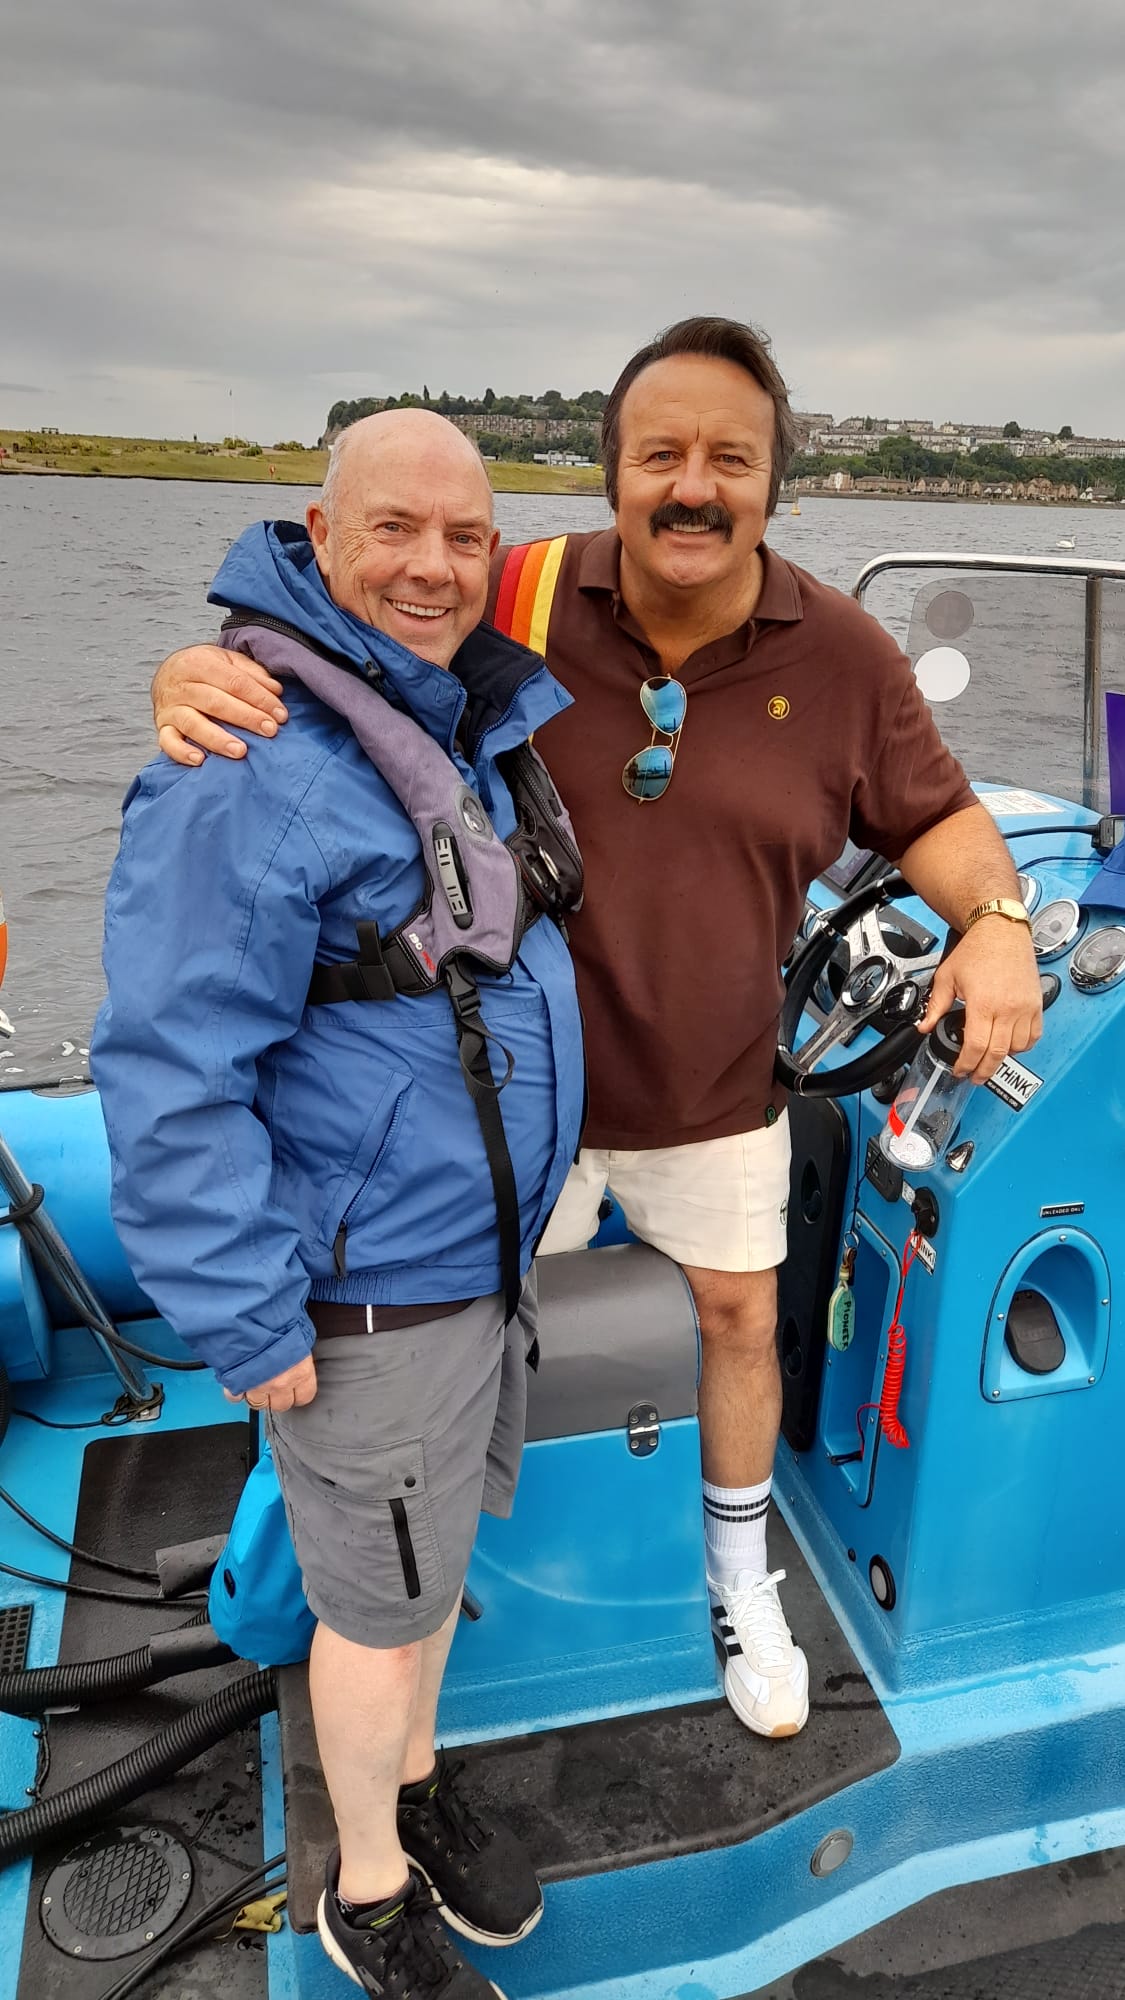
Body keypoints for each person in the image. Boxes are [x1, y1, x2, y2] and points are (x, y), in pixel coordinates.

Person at [150, 315, 1042, 1742]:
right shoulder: (512, 586)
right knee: (412, 1359)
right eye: (659, 454)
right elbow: (334, 633)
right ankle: (322, 1590)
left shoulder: (848, 655)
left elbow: (935, 815)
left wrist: (994, 923)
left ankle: (737, 1577)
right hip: (500, 1097)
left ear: (775, 480)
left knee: (741, 1320)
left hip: (716, 1086)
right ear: (610, 470)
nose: (692, 487)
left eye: (729, 459)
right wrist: (200, 673)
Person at [93, 410, 585, 2000]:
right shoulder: (242, 767)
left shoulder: (453, 713)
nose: (433, 566)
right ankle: (365, 1893)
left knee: (419, 1581)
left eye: (465, 535)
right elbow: (169, 1069)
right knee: (371, 1613)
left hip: (474, 1266)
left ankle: (414, 1786)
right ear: (317, 534)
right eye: (394, 529)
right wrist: (247, 1315)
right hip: (370, 1294)